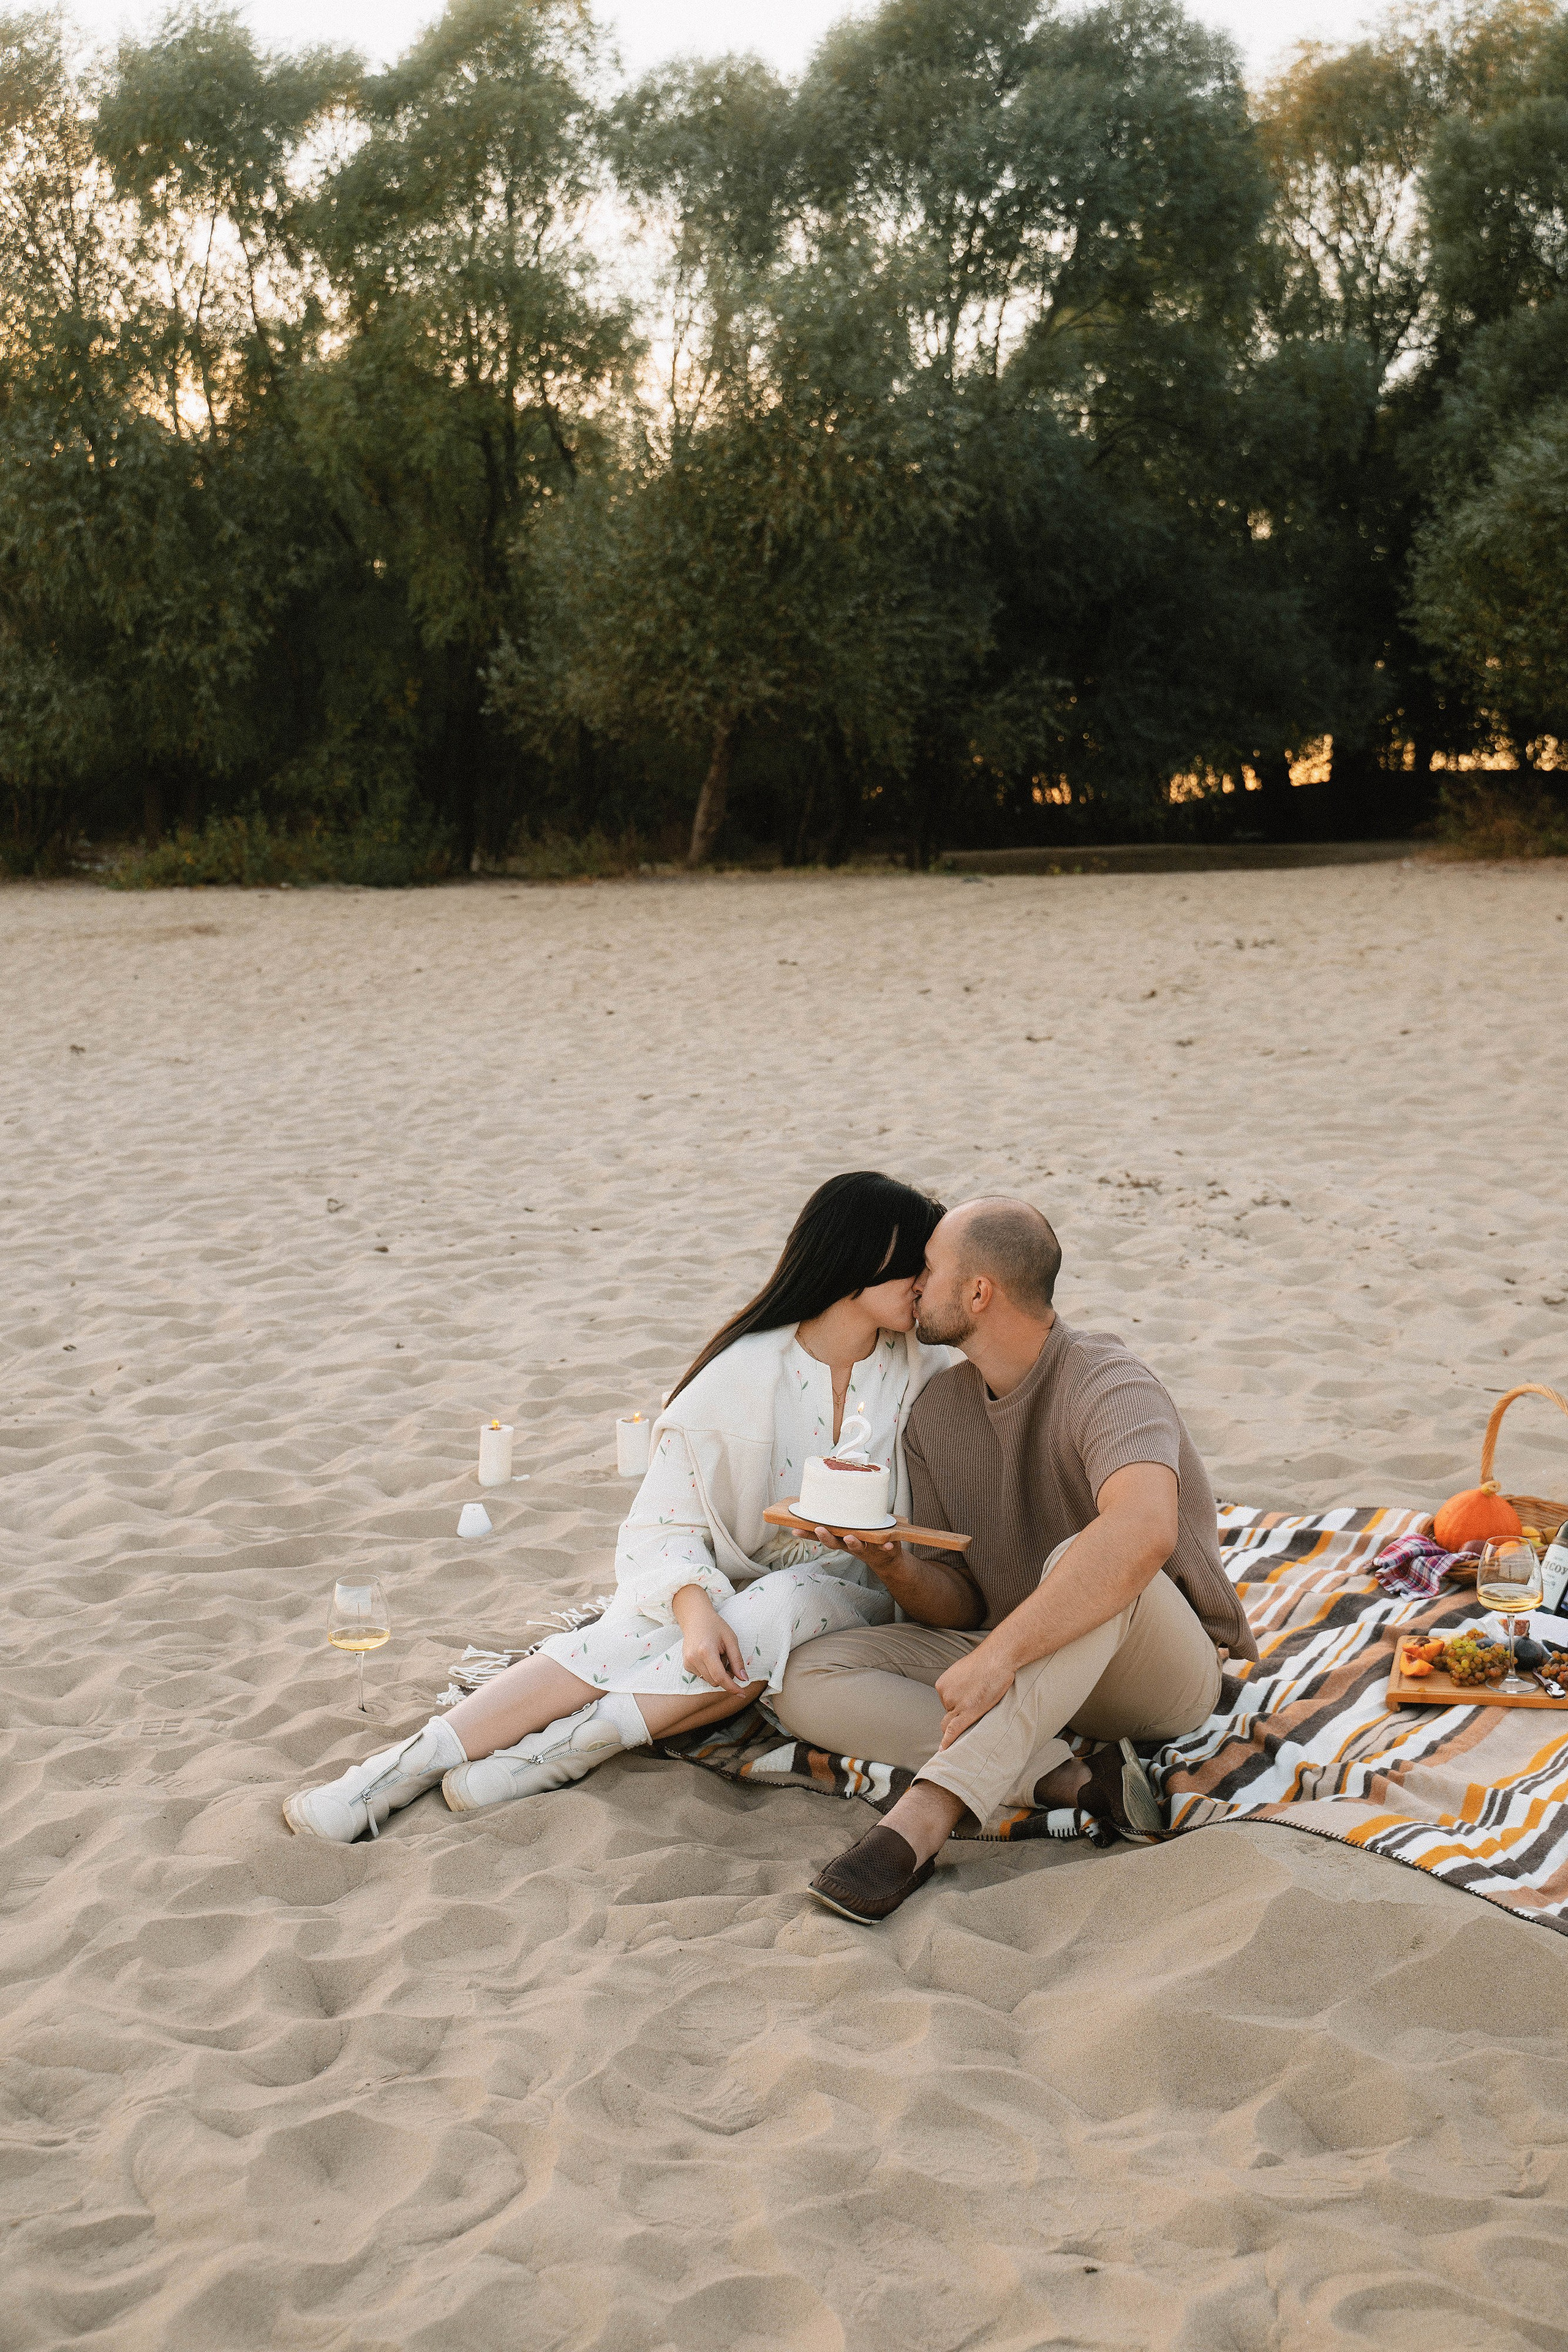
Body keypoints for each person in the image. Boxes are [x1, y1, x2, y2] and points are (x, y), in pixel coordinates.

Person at [284, 1171, 953, 1843]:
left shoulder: (926, 1372)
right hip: (724, 1581)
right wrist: (693, 1616)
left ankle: (565, 1749)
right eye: (913, 1265)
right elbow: (665, 1527)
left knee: (778, 1605)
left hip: (852, 1591)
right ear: (859, 1262)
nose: (927, 1282)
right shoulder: (739, 1376)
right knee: (625, 1634)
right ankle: (390, 1772)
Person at [771, 1196, 1257, 1924]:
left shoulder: (1108, 1380)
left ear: (977, 1292)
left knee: (1088, 1553)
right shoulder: (938, 1413)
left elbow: (1143, 1533)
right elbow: (962, 1602)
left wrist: (999, 1656)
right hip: (1029, 1664)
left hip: (1154, 1671)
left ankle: (925, 1816)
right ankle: (1067, 1780)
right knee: (804, 1676)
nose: (914, 1283)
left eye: (928, 1269)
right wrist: (896, 1566)